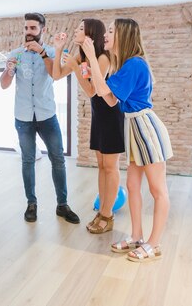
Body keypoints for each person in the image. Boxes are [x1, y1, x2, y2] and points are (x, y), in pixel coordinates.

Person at [82, 18, 172, 262]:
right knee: (132, 186)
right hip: (134, 128)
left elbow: (101, 91)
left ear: (123, 35)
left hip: (146, 130)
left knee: (157, 189)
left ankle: (154, 244)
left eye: (111, 31)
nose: (106, 35)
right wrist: (92, 66)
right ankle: (137, 236)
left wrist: (91, 56)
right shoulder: (125, 66)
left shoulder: (134, 64)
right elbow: (110, 99)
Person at [0, 12, 80, 224]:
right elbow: (4, 84)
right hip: (23, 116)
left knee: (58, 160)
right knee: (27, 161)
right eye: (26, 28)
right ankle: (31, 204)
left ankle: (62, 205)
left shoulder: (53, 52)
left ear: (42, 30)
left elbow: (55, 74)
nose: (28, 32)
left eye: (33, 28)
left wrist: (43, 52)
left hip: (47, 115)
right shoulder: (15, 54)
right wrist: (8, 71)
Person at [53, 19, 124, 234]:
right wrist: (58, 51)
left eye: (81, 28)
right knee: (101, 167)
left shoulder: (103, 57)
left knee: (110, 167)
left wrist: (75, 68)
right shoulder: (82, 56)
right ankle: (102, 211)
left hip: (111, 115)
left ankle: (107, 214)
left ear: (91, 34)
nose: (76, 30)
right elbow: (56, 74)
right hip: (99, 115)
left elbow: (93, 91)